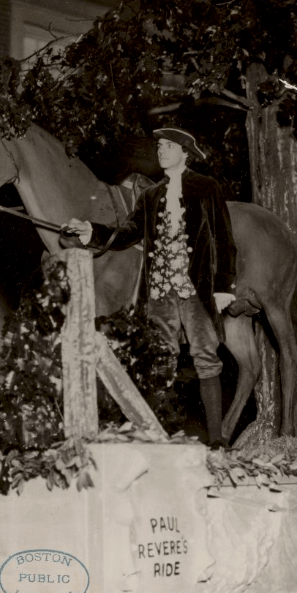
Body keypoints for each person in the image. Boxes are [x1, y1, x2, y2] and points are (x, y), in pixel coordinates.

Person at [64, 126, 237, 447]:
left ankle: (217, 440)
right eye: (159, 146)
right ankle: (163, 439)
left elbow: (223, 239)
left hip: (194, 289)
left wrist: (224, 285)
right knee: (160, 360)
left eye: (169, 146)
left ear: (185, 153)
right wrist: (90, 232)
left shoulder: (206, 188)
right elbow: (127, 232)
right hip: (160, 292)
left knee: (205, 356)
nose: (161, 150)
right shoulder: (150, 196)